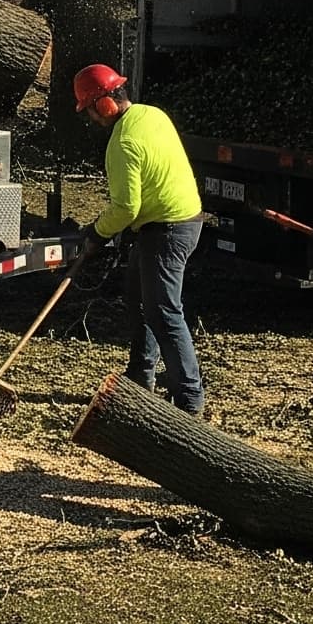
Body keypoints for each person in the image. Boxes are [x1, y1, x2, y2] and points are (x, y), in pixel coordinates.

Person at [69, 63, 207, 413]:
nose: (91, 121)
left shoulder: (123, 142)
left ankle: (189, 400)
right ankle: (140, 378)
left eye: (90, 112)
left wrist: (96, 235)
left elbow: (126, 208)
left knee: (163, 312)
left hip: (168, 228)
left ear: (105, 105)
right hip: (180, 220)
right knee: (138, 296)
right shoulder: (151, 114)